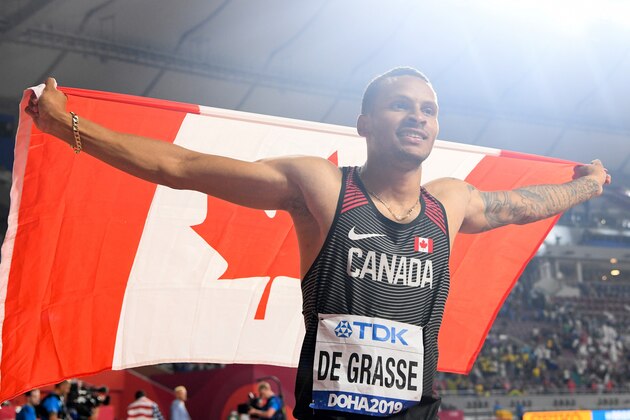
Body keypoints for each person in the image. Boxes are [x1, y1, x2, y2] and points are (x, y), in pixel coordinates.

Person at [26, 68, 611, 419]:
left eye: (429, 110)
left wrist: (585, 187)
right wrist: (70, 127)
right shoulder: (324, 187)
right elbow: (185, 165)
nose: (418, 117)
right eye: (400, 104)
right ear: (363, 122)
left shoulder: (450, 203)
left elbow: (522, 208)